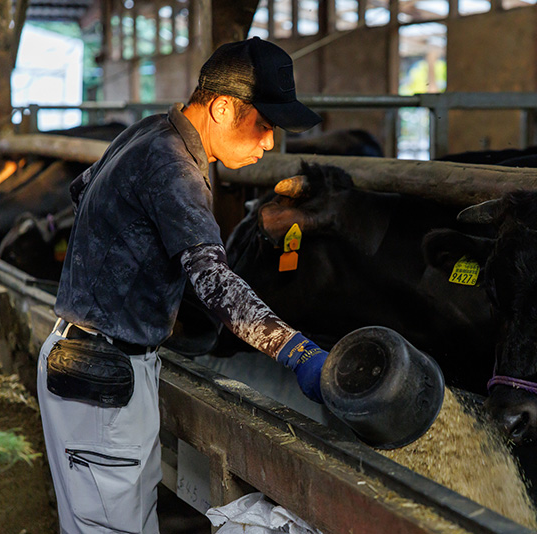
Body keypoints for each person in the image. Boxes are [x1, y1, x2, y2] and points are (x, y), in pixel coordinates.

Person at [37, 37, 328, 534]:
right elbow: (215, 281)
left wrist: (145, 290)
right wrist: (298, 352)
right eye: (264, 124)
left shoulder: (150, 131)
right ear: (221, 108)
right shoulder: (175, 166)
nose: (268, 143)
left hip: (103, 363)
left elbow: (82, 190)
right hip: (101, 377)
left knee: (122, 515)